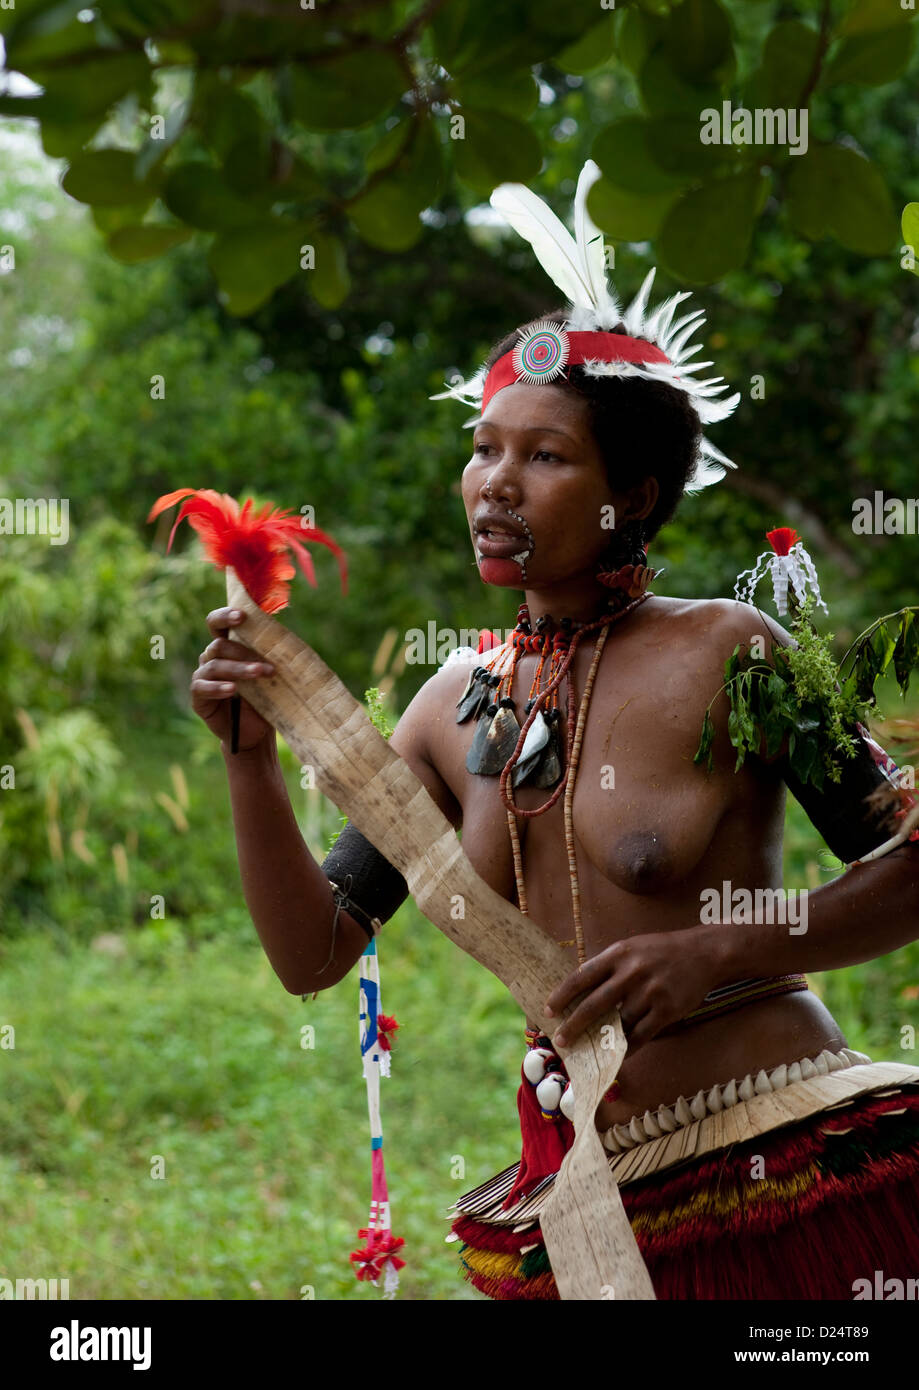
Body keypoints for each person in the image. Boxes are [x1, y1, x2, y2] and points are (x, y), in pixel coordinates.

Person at [189, 164, 919, 1300]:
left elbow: (910, 870)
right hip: (588, 1196)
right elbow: (312, 954)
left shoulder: (732, 649)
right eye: (483, 448)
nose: (494, 485)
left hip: (789, 1165)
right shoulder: (445, 704)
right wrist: (246, 760)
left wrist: (721, 948)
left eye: (544, 456)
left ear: (631, 489)